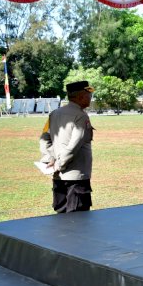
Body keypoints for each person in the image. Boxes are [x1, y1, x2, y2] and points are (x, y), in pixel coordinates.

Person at [38, 81, 95, 213]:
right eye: (89, 95)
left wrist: (49, 158)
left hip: (59, 177)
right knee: (78, 221)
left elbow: (44, 138)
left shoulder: (54, 114)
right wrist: (59, 164)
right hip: (76, 177)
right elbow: (74, 146)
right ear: (80, 96)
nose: (90, 98)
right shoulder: (81, 116)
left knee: (61, 219)